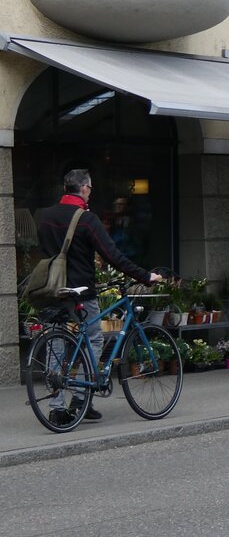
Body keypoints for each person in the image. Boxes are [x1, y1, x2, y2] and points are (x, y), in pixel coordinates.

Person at [36, 169, 161, 426]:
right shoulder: (87, 219)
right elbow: (112, 255)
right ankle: (81, 400)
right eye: (90, 188)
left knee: (55, 344)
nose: (90, 192)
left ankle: (56, 407)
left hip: (51, 289)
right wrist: (145, 276)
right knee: (93, 338)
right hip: (81, 292)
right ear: (84, 188)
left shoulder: (45, 216)